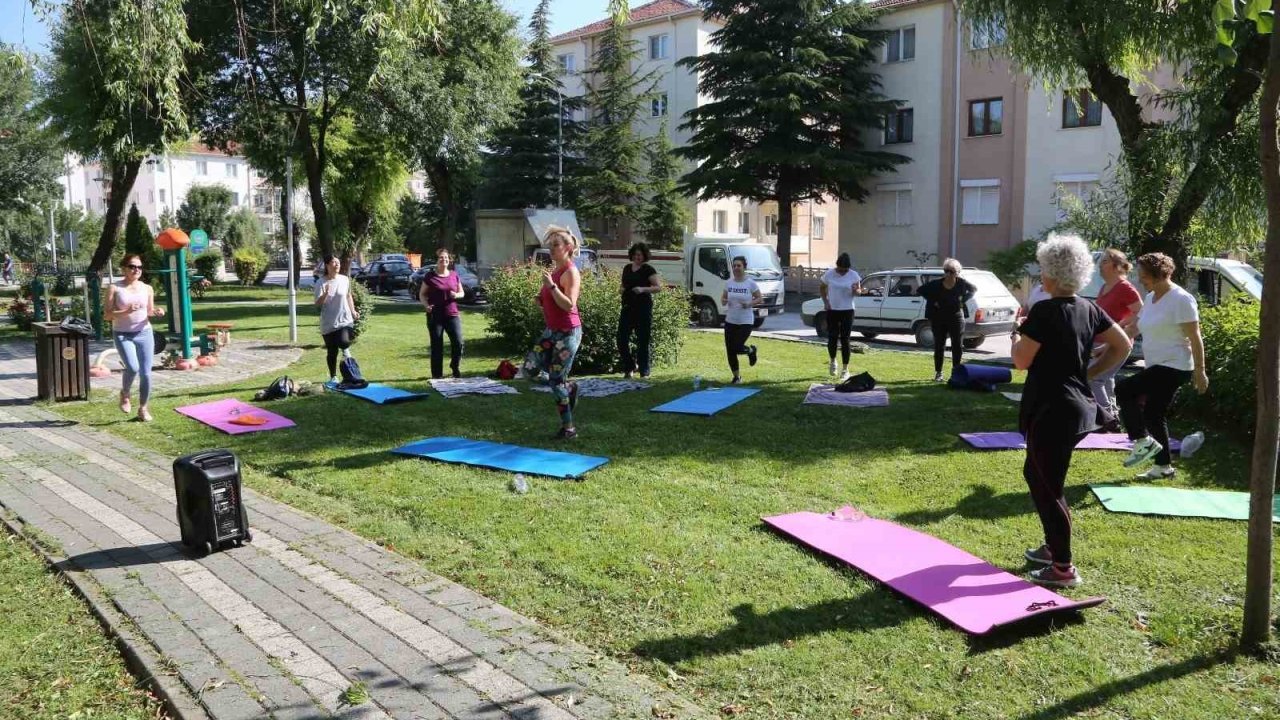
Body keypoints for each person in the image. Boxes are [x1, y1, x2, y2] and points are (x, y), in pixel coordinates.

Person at [1011, 234, 1132, 588]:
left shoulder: (1044, 311)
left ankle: (1063, 567)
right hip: (1075, 406)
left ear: (1048, 276)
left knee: (1047, 485)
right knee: (1042, 477)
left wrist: (1015, 335)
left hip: (1051, 409)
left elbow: (1020, 361)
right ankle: (1052, 549)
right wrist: (1091, 373)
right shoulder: (1089, 307)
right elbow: (1122, 345)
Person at [1116, 253, 1209, 479]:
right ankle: (1163, 467)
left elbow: (1195, 337)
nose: (1141, 279)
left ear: (1159, 275)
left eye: (1144, 275)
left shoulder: (1181, 299)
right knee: (1153, 414)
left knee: (1123, 389)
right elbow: (1136, 327)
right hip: (1158, 365)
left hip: (1175, 366)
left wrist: (1200, 371)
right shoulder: (1150, 297)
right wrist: (1112, 343)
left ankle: (1142, 441)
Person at [522, 228, 582, 439]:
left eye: (555, 245)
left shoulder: (570, 273)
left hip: (568, 334)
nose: (551, 249)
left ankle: (569, 429)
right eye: (550, 245)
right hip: (551, 331)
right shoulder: (554, 272)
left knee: (556, 382)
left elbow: (568, 305)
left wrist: (553, 288)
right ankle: (570, 387)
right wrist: (541, 298)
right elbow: (550, 300)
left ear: (568, 248)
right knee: (528, 370)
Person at [105, 254, 166, 422]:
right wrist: (126, 311)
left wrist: (158, 311)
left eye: (139, 267)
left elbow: (149, 311)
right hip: (123, 334)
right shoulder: (115, 288)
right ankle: (125, 394)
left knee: (146, 373)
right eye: (132, 266)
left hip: (144, 332)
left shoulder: (147, 288)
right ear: (124, 268)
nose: (136, 270)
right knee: (132, 368)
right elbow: (107, 315)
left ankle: (143, 408)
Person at [1089, 249, 1143, 430]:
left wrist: (1120, 331)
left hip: (1117, 345)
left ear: (1116, 266)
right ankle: (1112, 417)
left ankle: (1106, 420)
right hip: (1100, 343)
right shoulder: (1105, 287)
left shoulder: (1125, 288)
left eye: (1104, 261)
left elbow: (1141, 314)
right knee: (1105, 379)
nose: (1100, 265)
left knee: (1094, 378)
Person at [918, 258, 976, 382]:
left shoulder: (961, 283)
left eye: (952, 271)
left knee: (957, 345)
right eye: (946, 271)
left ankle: (956, 372)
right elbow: (920, 290)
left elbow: (973, 290)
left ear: (958, 272)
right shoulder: (936, 284)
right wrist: (934, 301)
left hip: (956, 317)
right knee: (939, 345)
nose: (948, 274)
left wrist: (962, 300)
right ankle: (938, 373)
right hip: (939, 317)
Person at [419, 247, 465, 379]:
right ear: (437, 260)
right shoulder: (430, 276)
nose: (443, 260)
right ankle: (437, 375)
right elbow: (422, 294)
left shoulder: (454, 275)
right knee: (437, 345)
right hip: (435, 315)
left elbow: (462, 293)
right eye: (441, 258)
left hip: (452, 314)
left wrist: (456, 295)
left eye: (446, 258)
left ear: (449, 260)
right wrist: (426, 305)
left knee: (458, 342)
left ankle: (454, 366)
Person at [617, 242, 662, 379]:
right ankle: (630, 366)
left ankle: (644, 371)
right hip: (627, 307)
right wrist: (621, 290)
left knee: (642, 340)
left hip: (643, 308)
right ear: (632, 255)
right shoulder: (627, 268)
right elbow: (623, 284)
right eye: (636, 254)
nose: (638, 257)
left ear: (644, 256)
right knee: (621, 338)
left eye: (641, 255)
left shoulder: (648, 269)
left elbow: (658, 287)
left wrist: (643, 289)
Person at [314, 254, 359, 384]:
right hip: (328, 322)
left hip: (345, 318)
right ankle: (333, 377)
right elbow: (317, 303)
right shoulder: (321, 282)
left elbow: (348, 296)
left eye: (338, 262)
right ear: (327, 265)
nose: (337, 264)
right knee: (332, 351)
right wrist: (326, 294)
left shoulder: (344, 279)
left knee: (344, 341)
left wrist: (353, 311)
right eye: (334, 262)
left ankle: (346, 351)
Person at [820, 253, 862, 379]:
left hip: (847, 310)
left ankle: (845, 369)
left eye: (844, 270)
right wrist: (826, 302)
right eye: (840, 269)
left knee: (845, 339)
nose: (842, 271)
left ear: (848, 268)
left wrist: (856, 290)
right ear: (836, 265)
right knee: (832, 337)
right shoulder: (829, 274)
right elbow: (822, 288)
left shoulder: (853, 275)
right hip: (832, 310)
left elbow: (858, 292)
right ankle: (833, 361)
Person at [721, 255, 761, 384]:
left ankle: (751, 351)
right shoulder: (729, 283)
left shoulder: (750, 283)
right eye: (734, 266)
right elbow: (723, 299)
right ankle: (736, 377)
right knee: (729, 349)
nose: (736, 268)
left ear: (744, 267)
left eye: (739, 266)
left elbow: (760, 298)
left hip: (745, 321)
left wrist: (749, 304)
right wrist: (724, 301)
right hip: (730, 320)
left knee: (737, 346)